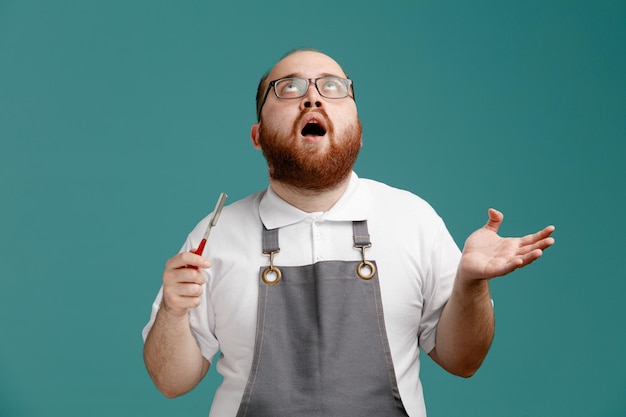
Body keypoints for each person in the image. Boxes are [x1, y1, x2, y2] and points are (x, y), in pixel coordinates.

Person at [142, 49, 555, 417]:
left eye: (333, 87)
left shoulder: (412, 218)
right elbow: (171, 382)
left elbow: (463, 361)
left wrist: (471, 283)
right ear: (257, 136)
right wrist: (173, 313)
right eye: (288, 88)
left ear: (357, 127)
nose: (313, 96)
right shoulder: (215, 235)